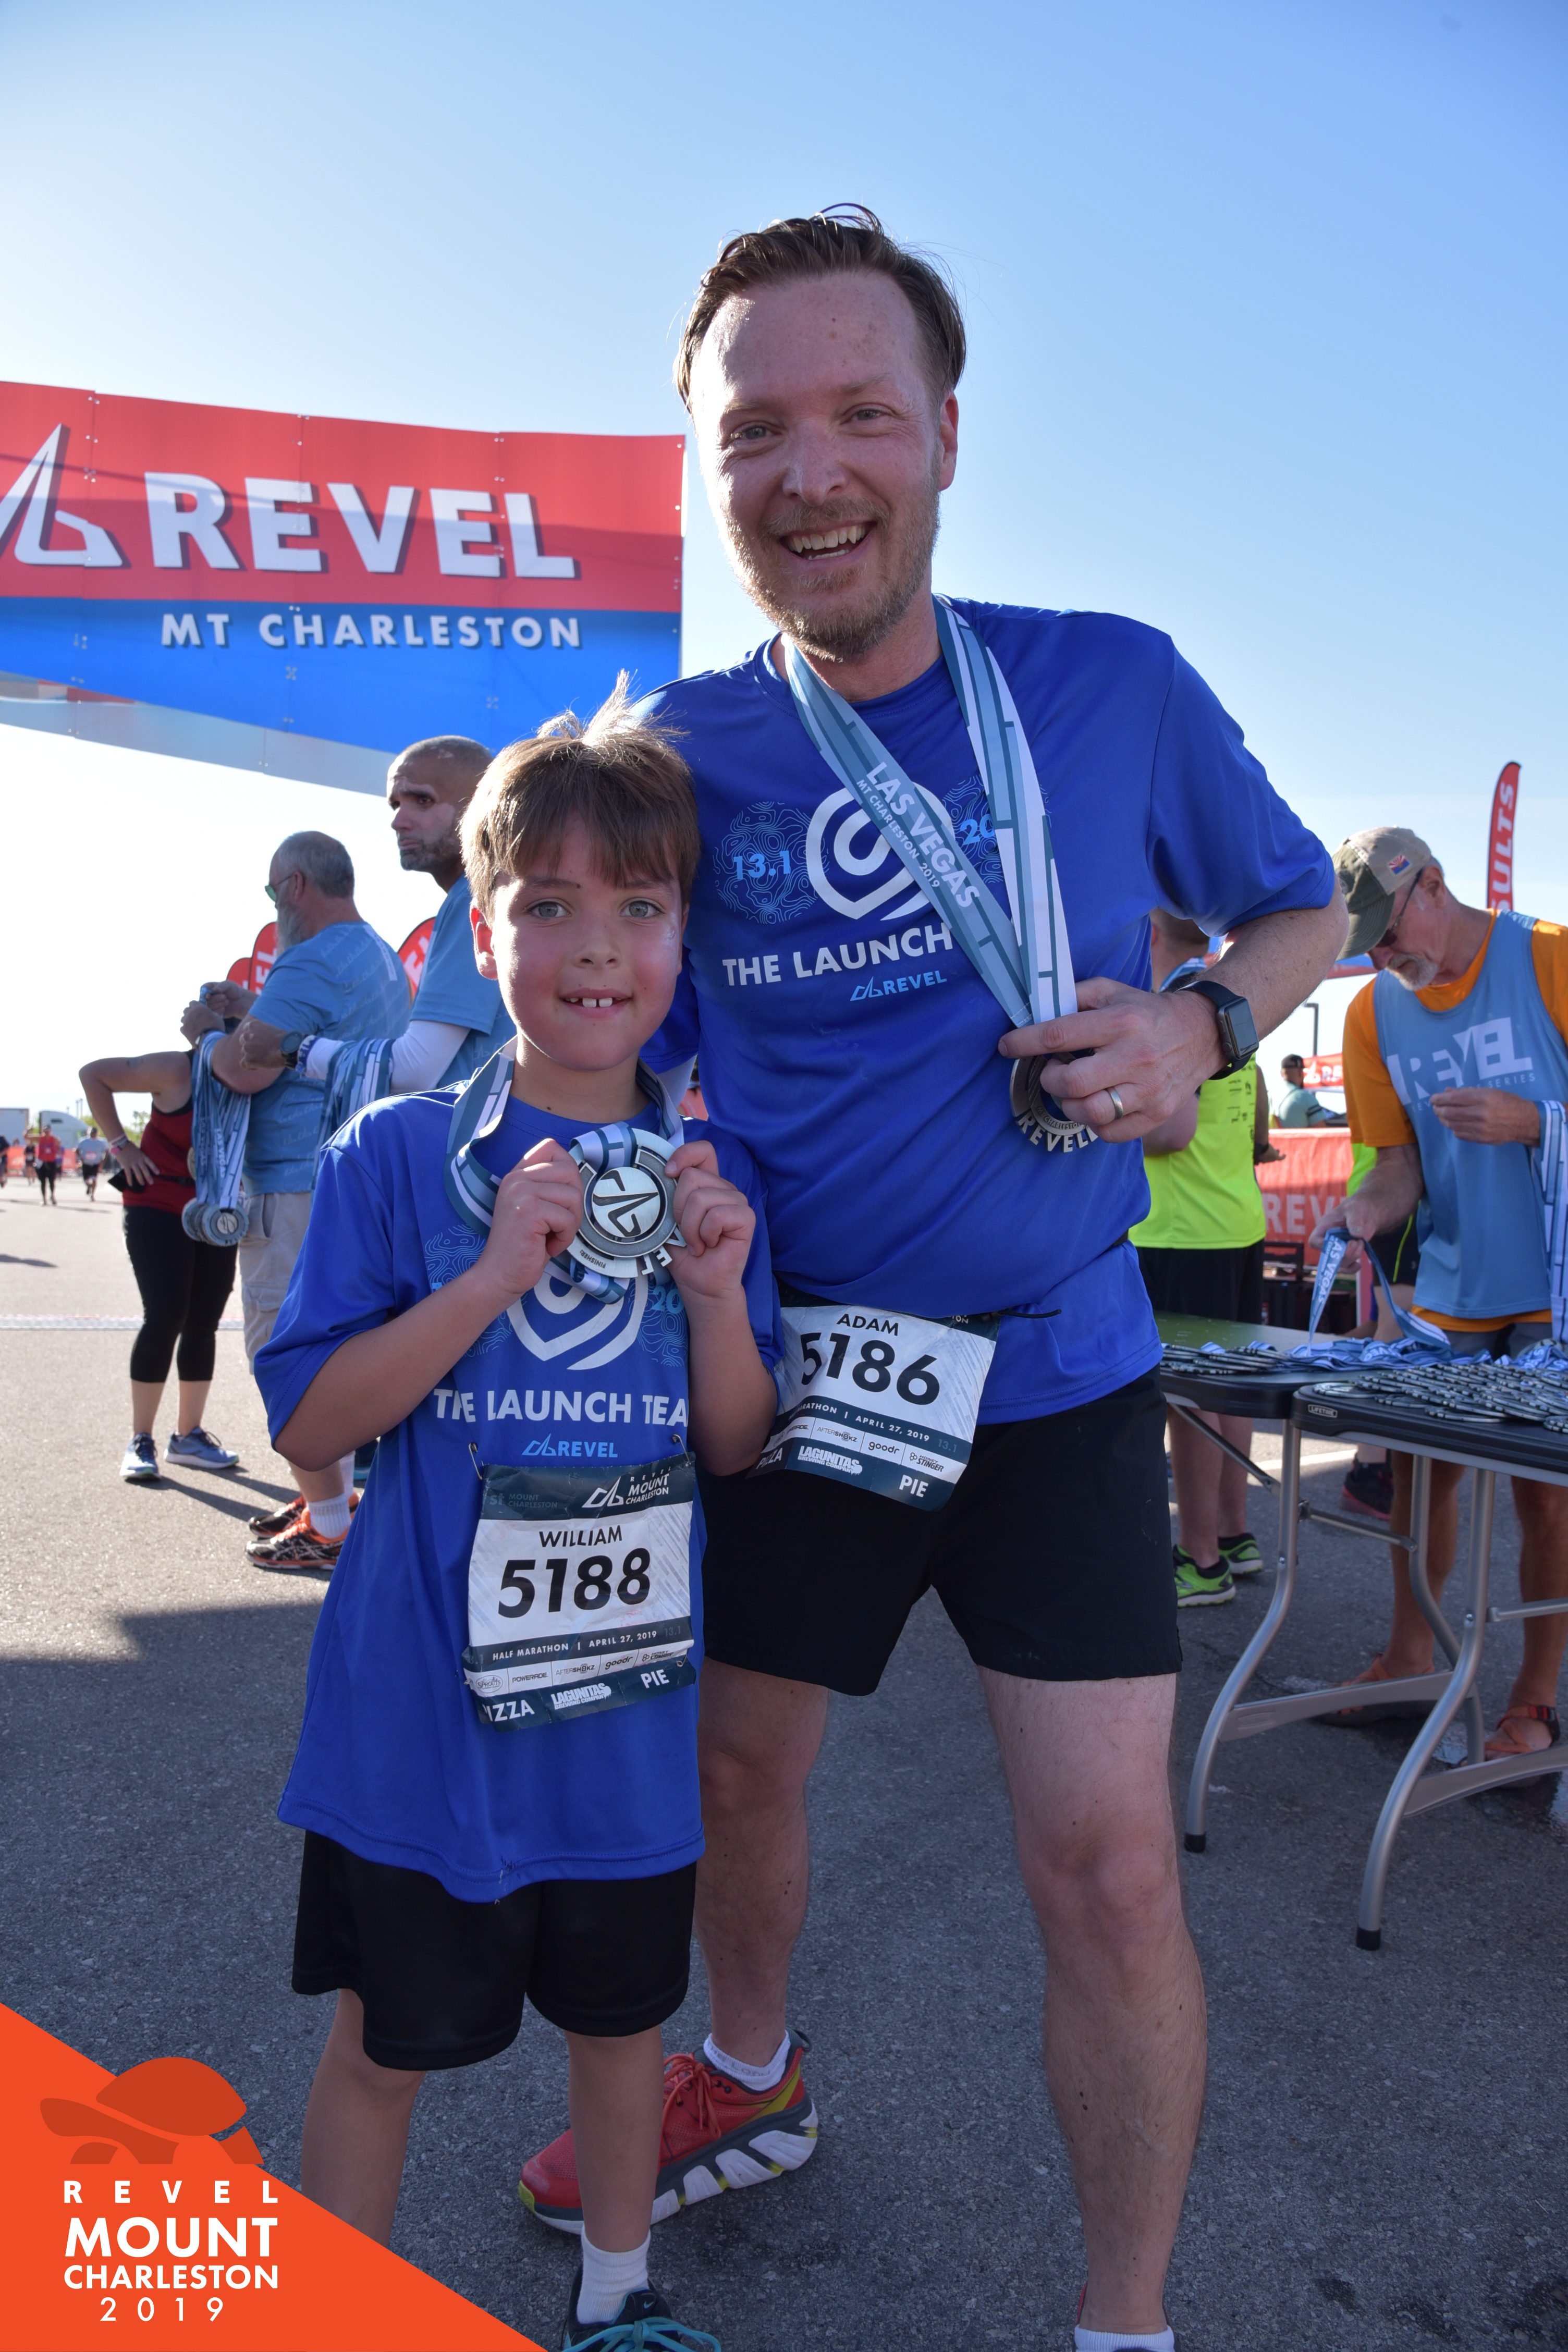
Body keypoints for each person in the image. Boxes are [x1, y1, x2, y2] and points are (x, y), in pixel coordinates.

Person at [516, 207, 1345, 2352]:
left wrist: (1194, 1023)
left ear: (947, 435)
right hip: (804, 1383)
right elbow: (596, 1022)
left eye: (859, 414)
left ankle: (1122, 2324)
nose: (808, 473)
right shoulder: (675, 749)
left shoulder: (1107, 681)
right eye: (752, 430)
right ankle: (752, 2071)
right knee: (735, 1779)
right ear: (706, 463)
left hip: (1057, 1376)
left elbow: (1297, 910)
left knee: (1109, 1871)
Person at [254, 688, 780, 2350]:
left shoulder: (706, 1172)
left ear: (684, 936)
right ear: (480, 937)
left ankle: (619, 2297)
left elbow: (736, 1443)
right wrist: (489, 1277)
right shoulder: (401, 1154)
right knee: (383, 2042)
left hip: (623, 1725)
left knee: (623, 2030)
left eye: (640, 903)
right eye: (547, 904)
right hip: (424, 1729)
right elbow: (312, 1424)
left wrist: (717, 1294)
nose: (597, 943)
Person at [1316, 826, 1568, 1760]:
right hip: (1458, 1283)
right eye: (1367, 947)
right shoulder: (1373, 1012)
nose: (1384, 959)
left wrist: (1535, 1122)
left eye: (1387, 934)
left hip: (1555, 1285)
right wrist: (1364, 1213)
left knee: (1546, 1496)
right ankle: (1408, 1660)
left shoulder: (1549, 956)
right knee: (1418, 1474)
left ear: (1431, 883)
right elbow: (1397, 1166)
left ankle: (1533, 1703)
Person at [183, 832, 410, 1572]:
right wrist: (255, 1009)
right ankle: (329, 1501)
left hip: (291, 1182)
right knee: (330, 1347)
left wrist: (210, 1035)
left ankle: (329, 1523)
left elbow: (245, 1067)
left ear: (294, 886)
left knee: (283, 1354)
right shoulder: (374, 954)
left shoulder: (310, 958)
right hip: (349, 1176)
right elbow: (312, 1033)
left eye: (272, 891)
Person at [236, 736, 508, 1098]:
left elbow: (413, 1070)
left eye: (422, 800)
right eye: (395, 804)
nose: (398, 821)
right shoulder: (482, 895)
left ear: (479, 806)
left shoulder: (473, 899)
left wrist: (290, 1049)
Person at [1132, 912, 1271, 1609]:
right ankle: (1233, 1535)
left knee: (1185, 1399)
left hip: (1181, 1231)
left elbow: (1170, 1133)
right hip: (1236, 1222)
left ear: (1149, 928)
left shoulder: (1174, 1006)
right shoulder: (1226, 999)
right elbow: (1258, 1124)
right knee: (1225, 1391)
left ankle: (1200, 1558)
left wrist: (1097, 1118)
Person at [78, 1048, 241, 1483]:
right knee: (166, 1314)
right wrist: (121, 1147)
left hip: (218, 1208)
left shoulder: (256, 1073)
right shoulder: (177, 1068)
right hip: (158, 1201)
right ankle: (140, 1439)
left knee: (204, 1321)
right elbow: (93, 1074)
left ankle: (188, 1436)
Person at [1275, 1052, 1346, 1126]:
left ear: (1282, 1073)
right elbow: (1321, 1130)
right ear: (1300, 1072)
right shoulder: (1305, 1098)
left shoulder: (1271, 1096)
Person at [77, 1124, 109, 1199]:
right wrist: (81, 1157)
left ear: (97, 1133)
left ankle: (92, 1195)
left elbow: (107, 1151)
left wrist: (103, 1160)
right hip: (86, 1163)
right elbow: (77, 1150)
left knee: (94, 1179)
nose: (93, 1134)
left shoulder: (102, 1142)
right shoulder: (83, 1141)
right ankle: (89, 1186)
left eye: (95, 1132)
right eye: (92, 1132)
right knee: (86, 1180)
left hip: (96, 1163)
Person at [34, 1125, 60, 1203]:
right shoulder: (40, 1138)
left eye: (48, 1131)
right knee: (43, 1182)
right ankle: (44, 1199)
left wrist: (58, 1151)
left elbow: (59, 1149)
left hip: (51, 1163)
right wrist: (28, 1130)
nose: (47, 1133)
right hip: (42, 1163)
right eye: (45, 1131)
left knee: (52, 1181)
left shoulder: (54, 1139)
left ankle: (52, 1196)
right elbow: (26, 1137)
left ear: (50, 1131)